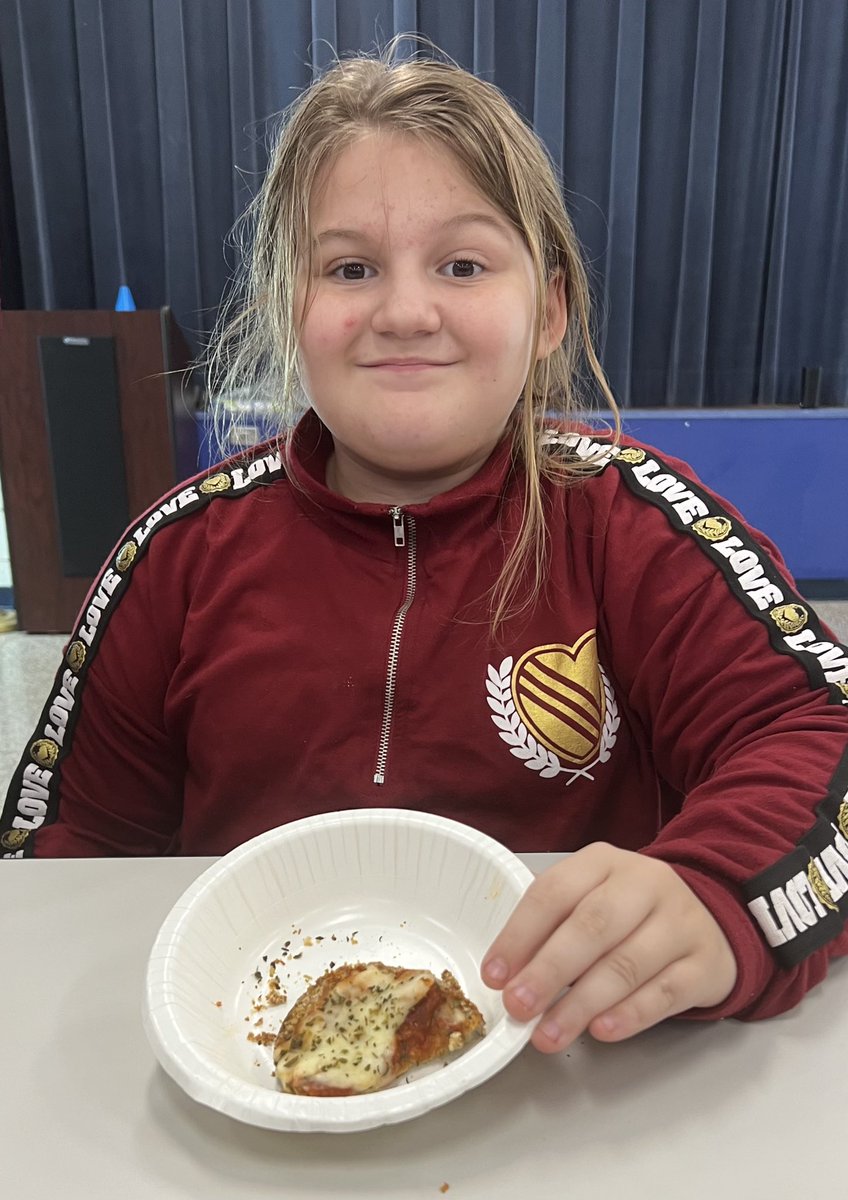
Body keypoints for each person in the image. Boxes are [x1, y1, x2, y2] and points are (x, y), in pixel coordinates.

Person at [3, 42, 847, 1057]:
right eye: (350, 268)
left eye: (461, 264)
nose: (405, 313)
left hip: (565, 1069)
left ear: (549, 311)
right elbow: (56, 860)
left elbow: (815, 733)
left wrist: (719, 895)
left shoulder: (638, 532)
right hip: (242, 1075)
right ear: (287, 309)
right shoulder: (171, 559)